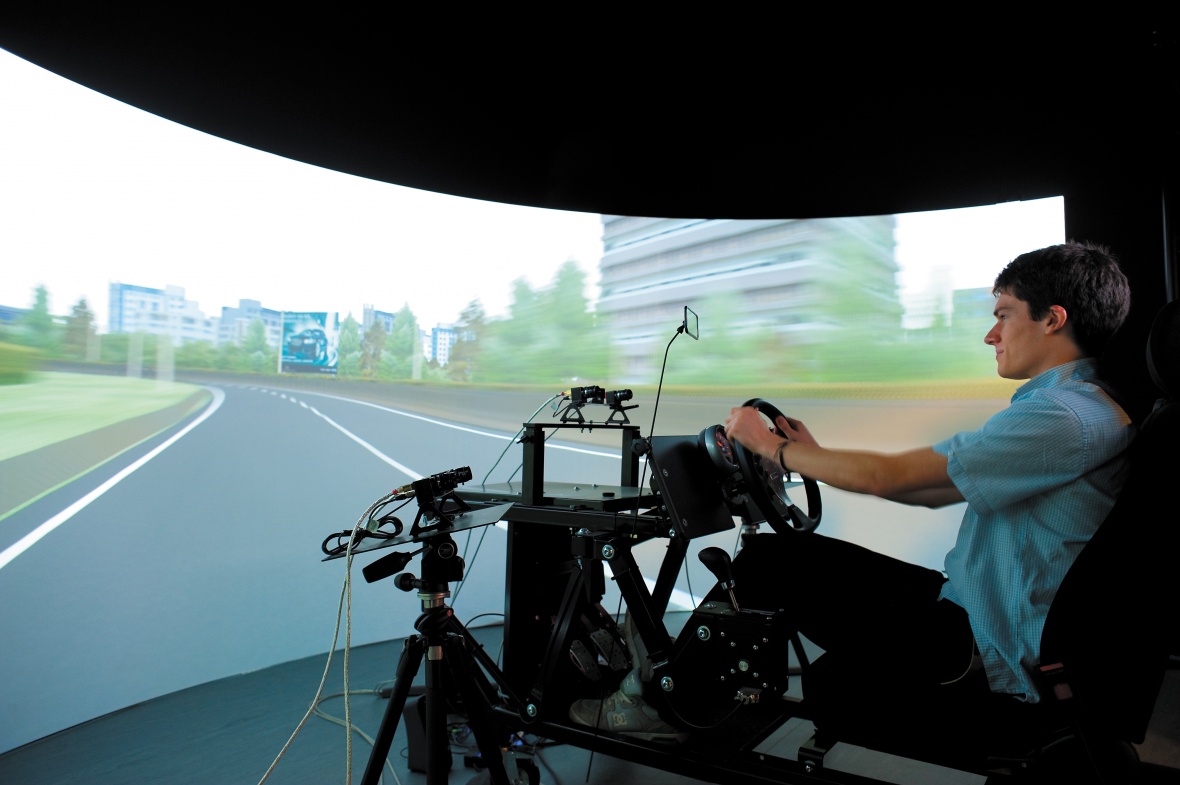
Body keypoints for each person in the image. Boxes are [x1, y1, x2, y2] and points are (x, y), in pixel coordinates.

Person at [569, 241, 1135, 748]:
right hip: (976, 605)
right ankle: (675, 690)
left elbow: (894, 477)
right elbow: (930, 491)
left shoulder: (1061, 420)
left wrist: (773, 450)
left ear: (1053, 319)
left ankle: (664, 703)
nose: (991, 334)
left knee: (786, 592)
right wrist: (809, 453)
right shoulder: (1080, 409)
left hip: (980, 644)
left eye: (1003, 316)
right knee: (779, 557)